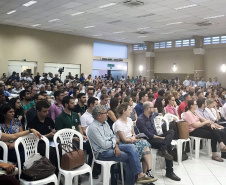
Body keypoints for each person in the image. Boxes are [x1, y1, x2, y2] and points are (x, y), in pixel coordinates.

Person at [87, 105, 156, 185]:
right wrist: (114, 143)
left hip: (111, 148)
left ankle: (139, 174)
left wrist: (116, 146)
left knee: (131, 147)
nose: (107, 114)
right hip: (102, 153)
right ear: (99, 115)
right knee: (129, 156)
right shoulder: (93, 128)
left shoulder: (105, 123)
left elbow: (113, 137)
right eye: (105, 113)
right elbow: (104, 145)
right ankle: (133, 179)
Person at [136, 102, 181, 181]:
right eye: (152, 107)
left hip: (156, 137)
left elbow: (157, 113)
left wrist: (159, 113)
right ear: (147, 109)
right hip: (149, 140)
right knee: (168, 145)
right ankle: (169, 171)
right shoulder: (140, 120)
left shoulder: (151, 115)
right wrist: (161, 138)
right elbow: (149, 135)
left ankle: (162, 149)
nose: (154, 108)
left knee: (171, 131)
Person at [113, 103, 157, 181]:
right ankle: (145, 173)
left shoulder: (129, 120)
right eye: (129, 109)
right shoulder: (118, 124)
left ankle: (147, 172)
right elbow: (124, 140)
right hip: (124, 144)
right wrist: (135, 139)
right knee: (144, 144)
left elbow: (133, 133)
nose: (131, 111)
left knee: (145, 146)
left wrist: (134, 137)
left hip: (132, 140)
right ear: (124, 111)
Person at [27, 101, 58, 174]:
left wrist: (54, 133)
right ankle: (51, 172)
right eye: (44, 111)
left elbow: (53, 130)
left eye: (47, 111)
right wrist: (48, 135)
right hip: (38, 143)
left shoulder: (49, 120)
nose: (47, 113)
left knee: (60, 149)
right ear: (38, 111)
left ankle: (58, 172)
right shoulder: (32, 122)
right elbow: (32, 138)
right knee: (51, 152)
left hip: (50, 141)